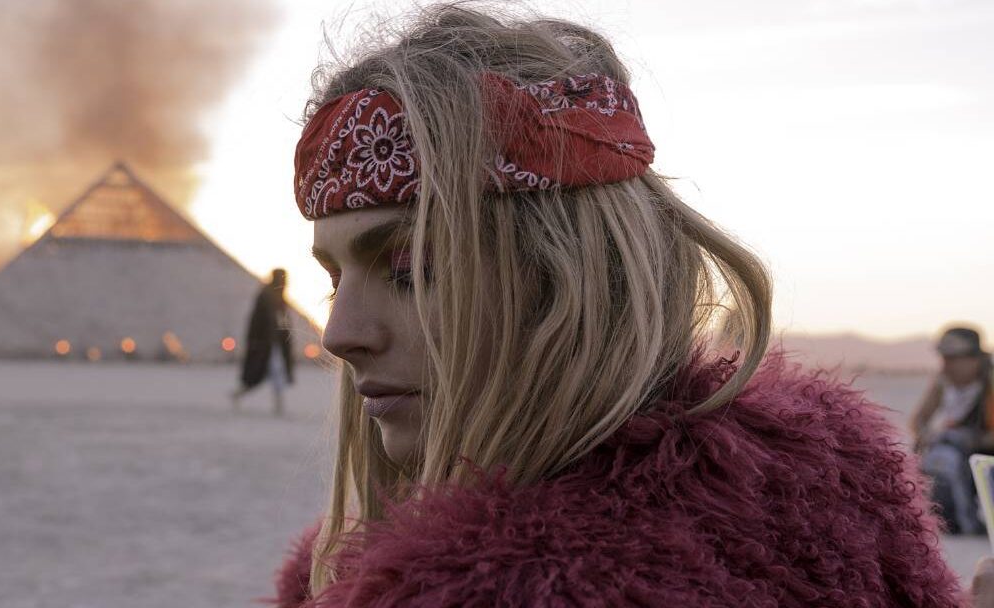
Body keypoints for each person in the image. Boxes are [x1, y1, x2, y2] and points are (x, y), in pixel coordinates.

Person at [270, 5, 963, 606]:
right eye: (334, 279)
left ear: (573, 274)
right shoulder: (836, 496)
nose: (339, 334)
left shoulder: (481, 589)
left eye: (412, 269)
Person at [910, 326, 994, 534]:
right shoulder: (943, 381)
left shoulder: (989, 381)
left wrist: (975, 440)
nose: (946, 365)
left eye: (953, 358)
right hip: (958, 455)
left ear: (974, 358)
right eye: (944, 358)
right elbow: (919, 419)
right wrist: (928, 436)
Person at [234, 268, 295, 416]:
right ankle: (238, 395)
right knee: (264, 373)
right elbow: (257, 321)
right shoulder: (266, 295)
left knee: (277, 372)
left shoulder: (279, 297)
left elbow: (283, 321)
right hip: (265, 344)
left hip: (275, 343)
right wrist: (256, 341)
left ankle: (278, 405)